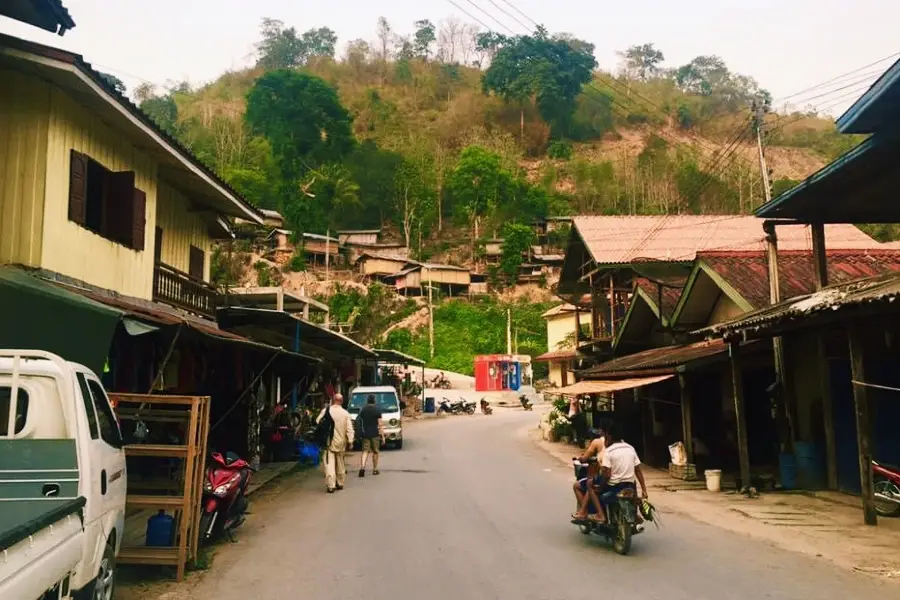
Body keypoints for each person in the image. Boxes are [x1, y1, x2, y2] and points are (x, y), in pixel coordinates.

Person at [594, 422, 648, 524]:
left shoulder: (609, 451)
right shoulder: (630, 448)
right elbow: (638, 470)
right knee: (633, 484)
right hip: (630, 486)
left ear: (609, 436)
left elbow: (607, 474)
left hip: (615, 487)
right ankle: (634, 515)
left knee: (596, 491)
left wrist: (600, 488)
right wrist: (644, 489)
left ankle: (601, 515)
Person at [317, 393, 354, 493]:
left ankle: (331, 485)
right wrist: (350, 441)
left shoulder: (326, 411)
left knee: (329, 464)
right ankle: (340, 482)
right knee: (341, 463)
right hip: (341, 442)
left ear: (333, 400)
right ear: (341, 401)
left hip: (328, 442)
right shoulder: (345, 413)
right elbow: (349, 429)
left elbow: (318, 422)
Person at [571, 427, 607, 521]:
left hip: (605, 474)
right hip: (619, 474)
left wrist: (581, 458)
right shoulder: (623, 444)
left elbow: (586, 457)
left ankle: (583, 512)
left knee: (587, 484)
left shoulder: (597, 442)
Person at [358, 395, 384, 477]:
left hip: (365, 433)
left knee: (365, 451)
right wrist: (382, 436)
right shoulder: (377, 410)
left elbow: (360, 420)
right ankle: (375, 469)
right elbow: (380, 424)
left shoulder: (363, 409)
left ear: (367, 401)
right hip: (375, 434)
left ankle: (362, 468)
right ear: (374, 401)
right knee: (375, 451)